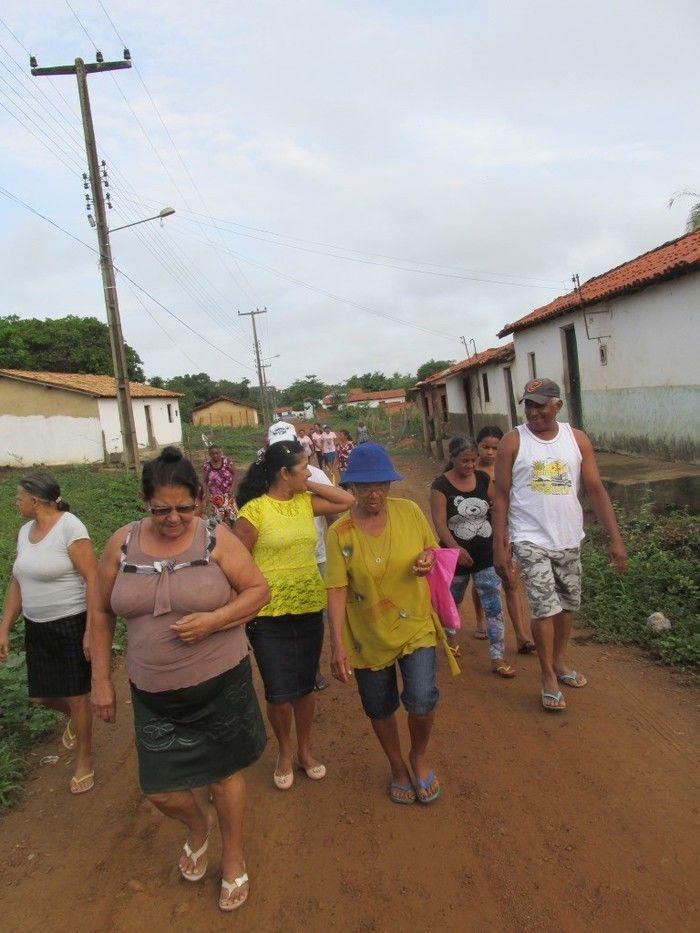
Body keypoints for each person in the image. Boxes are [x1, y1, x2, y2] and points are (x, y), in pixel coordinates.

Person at [91, 447, 270, 912]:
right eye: (161, 509)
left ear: (201, 500)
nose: (173, 518)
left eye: (183, 508)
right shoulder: (122, 543)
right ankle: (197, 827)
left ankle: (233, 858)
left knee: (224, 775)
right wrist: (100, 680)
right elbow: (100, 610)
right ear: (143, 500)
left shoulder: (216, 538)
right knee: (160, 789)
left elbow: (258, 592)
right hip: (152, 691)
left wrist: (214, 621)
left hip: (220, 681)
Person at [326, 444, 453, 806]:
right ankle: (397, 766)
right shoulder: (340, 533)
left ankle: (419, 755)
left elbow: (432, 549)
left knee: (423, 697)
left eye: (381, 484)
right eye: (364, 487)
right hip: (367, 635)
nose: (374, 494)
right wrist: (337, 645)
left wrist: (427, 560)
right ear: (351, 488)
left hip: (415, 623)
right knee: (379, 707)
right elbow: (336, 590)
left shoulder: (409, 512)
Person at [492, 378, 627, 711]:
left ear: (557, 405)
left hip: (568, 535)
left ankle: (559, 660)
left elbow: (595, 489)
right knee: (544, 606)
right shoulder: (513, 441)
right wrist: (500, 542)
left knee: (568, 604)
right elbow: (500, 494)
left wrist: (616, 539)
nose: (533, 411)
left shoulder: (576, 439)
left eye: (540, 404)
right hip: (529, 536)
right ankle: (547, 675)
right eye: (528, 405)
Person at [234, 440, 355, 791]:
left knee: (304, 688)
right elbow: (236, 561)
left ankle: (305, 750)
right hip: (267, 613)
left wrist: (306, 482)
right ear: (283, 473)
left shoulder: (305, 502)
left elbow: (346, 501)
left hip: (307, 606)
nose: (309, 472)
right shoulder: (253, 512)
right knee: (278, 692)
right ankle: (284, 752)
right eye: (303, 468)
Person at [0, 473, 98, 795]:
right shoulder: (25, 531)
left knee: (77, 695)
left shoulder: (71, 527)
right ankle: (76, 716)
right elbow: (17, 581)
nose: (16, 502)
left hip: (69, 623)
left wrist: (89, 631)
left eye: (19, 498)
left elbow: (92, 579)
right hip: (36, 626)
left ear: (36, 501)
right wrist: (4, 627)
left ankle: (85, 759)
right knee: (40, 695)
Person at [430, 437, 516, 678]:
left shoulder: (483, 479)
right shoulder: (440, 486)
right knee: (452, 602)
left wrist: (503, 538)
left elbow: (496, 505)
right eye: (463, 461)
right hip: (453, 558)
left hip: (485, 555)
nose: (469, 465)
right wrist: (455, 548)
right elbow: (439, 523)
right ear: (452, 459)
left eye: (472, 460)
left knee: (493, 605)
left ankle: (497, 657)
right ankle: (449, 641)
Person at [265, 421, 336, 691]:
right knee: (281, 616)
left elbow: (334, 511)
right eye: (277, 449)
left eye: (288, 447)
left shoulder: (315, 474)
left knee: (315, 616)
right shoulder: (262, 479)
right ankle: (285, 668)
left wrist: (305, 482)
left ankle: (312, 667)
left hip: (315, 557)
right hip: (276, 562)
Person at [473, 426, 535, 654]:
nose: (490, 452)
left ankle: (521, 636)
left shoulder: (510, 468)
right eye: (485, 447)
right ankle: (479, 621)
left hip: (507, 529)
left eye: (495, 448)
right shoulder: (469, 467)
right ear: (477, 445)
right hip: (479, 532)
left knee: (510, 580)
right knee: (482, 580)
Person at [202, 445, 237, 527]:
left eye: (217, 453)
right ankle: (222, 537)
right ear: (210, 455)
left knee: (234, 519)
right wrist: (206, 495)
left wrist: (232, 488)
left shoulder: (227, 462)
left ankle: (236, 536)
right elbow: (205, 481)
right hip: (215, 498)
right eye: (212, 454)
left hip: (228, 495)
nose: (215, 455)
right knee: (218, 523)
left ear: (220, 453)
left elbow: (234, 474)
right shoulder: (207, 466)